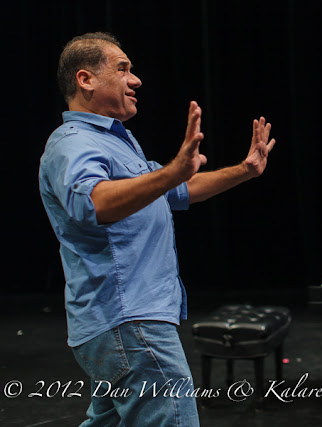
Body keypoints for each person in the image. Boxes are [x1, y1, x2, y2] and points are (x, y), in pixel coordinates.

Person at [38, 32, 276, 426]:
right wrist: (169, 173)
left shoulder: (116, 142)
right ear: (86, 79)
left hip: (122, 324)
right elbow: (94, 203)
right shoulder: (73, 143)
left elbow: (178, 190)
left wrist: (244, 170)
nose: (135, 80)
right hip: (128, 321)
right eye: (123, 69)